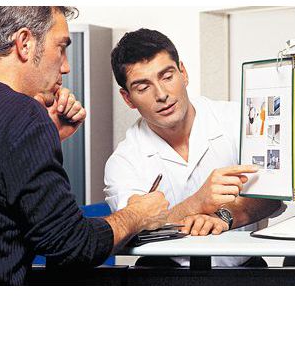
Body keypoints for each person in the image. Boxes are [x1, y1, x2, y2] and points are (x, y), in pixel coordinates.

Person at [0, 7, 168, 285]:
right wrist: (138, 215)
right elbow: (71, 245)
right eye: (61, 48)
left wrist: (48, 136)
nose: (65, 66)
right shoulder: (23, 115)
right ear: (25, 43)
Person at [104, 29, 283, 267]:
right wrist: (196, 203)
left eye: (167, 76)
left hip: (246, 270)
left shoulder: (238, 120)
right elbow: (132, 230)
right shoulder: (124, 161)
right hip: (166, 274)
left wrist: (224, 216)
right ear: (128, 98)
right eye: (143, 87)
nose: (161, 94)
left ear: (183, 73)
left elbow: (273, 195)